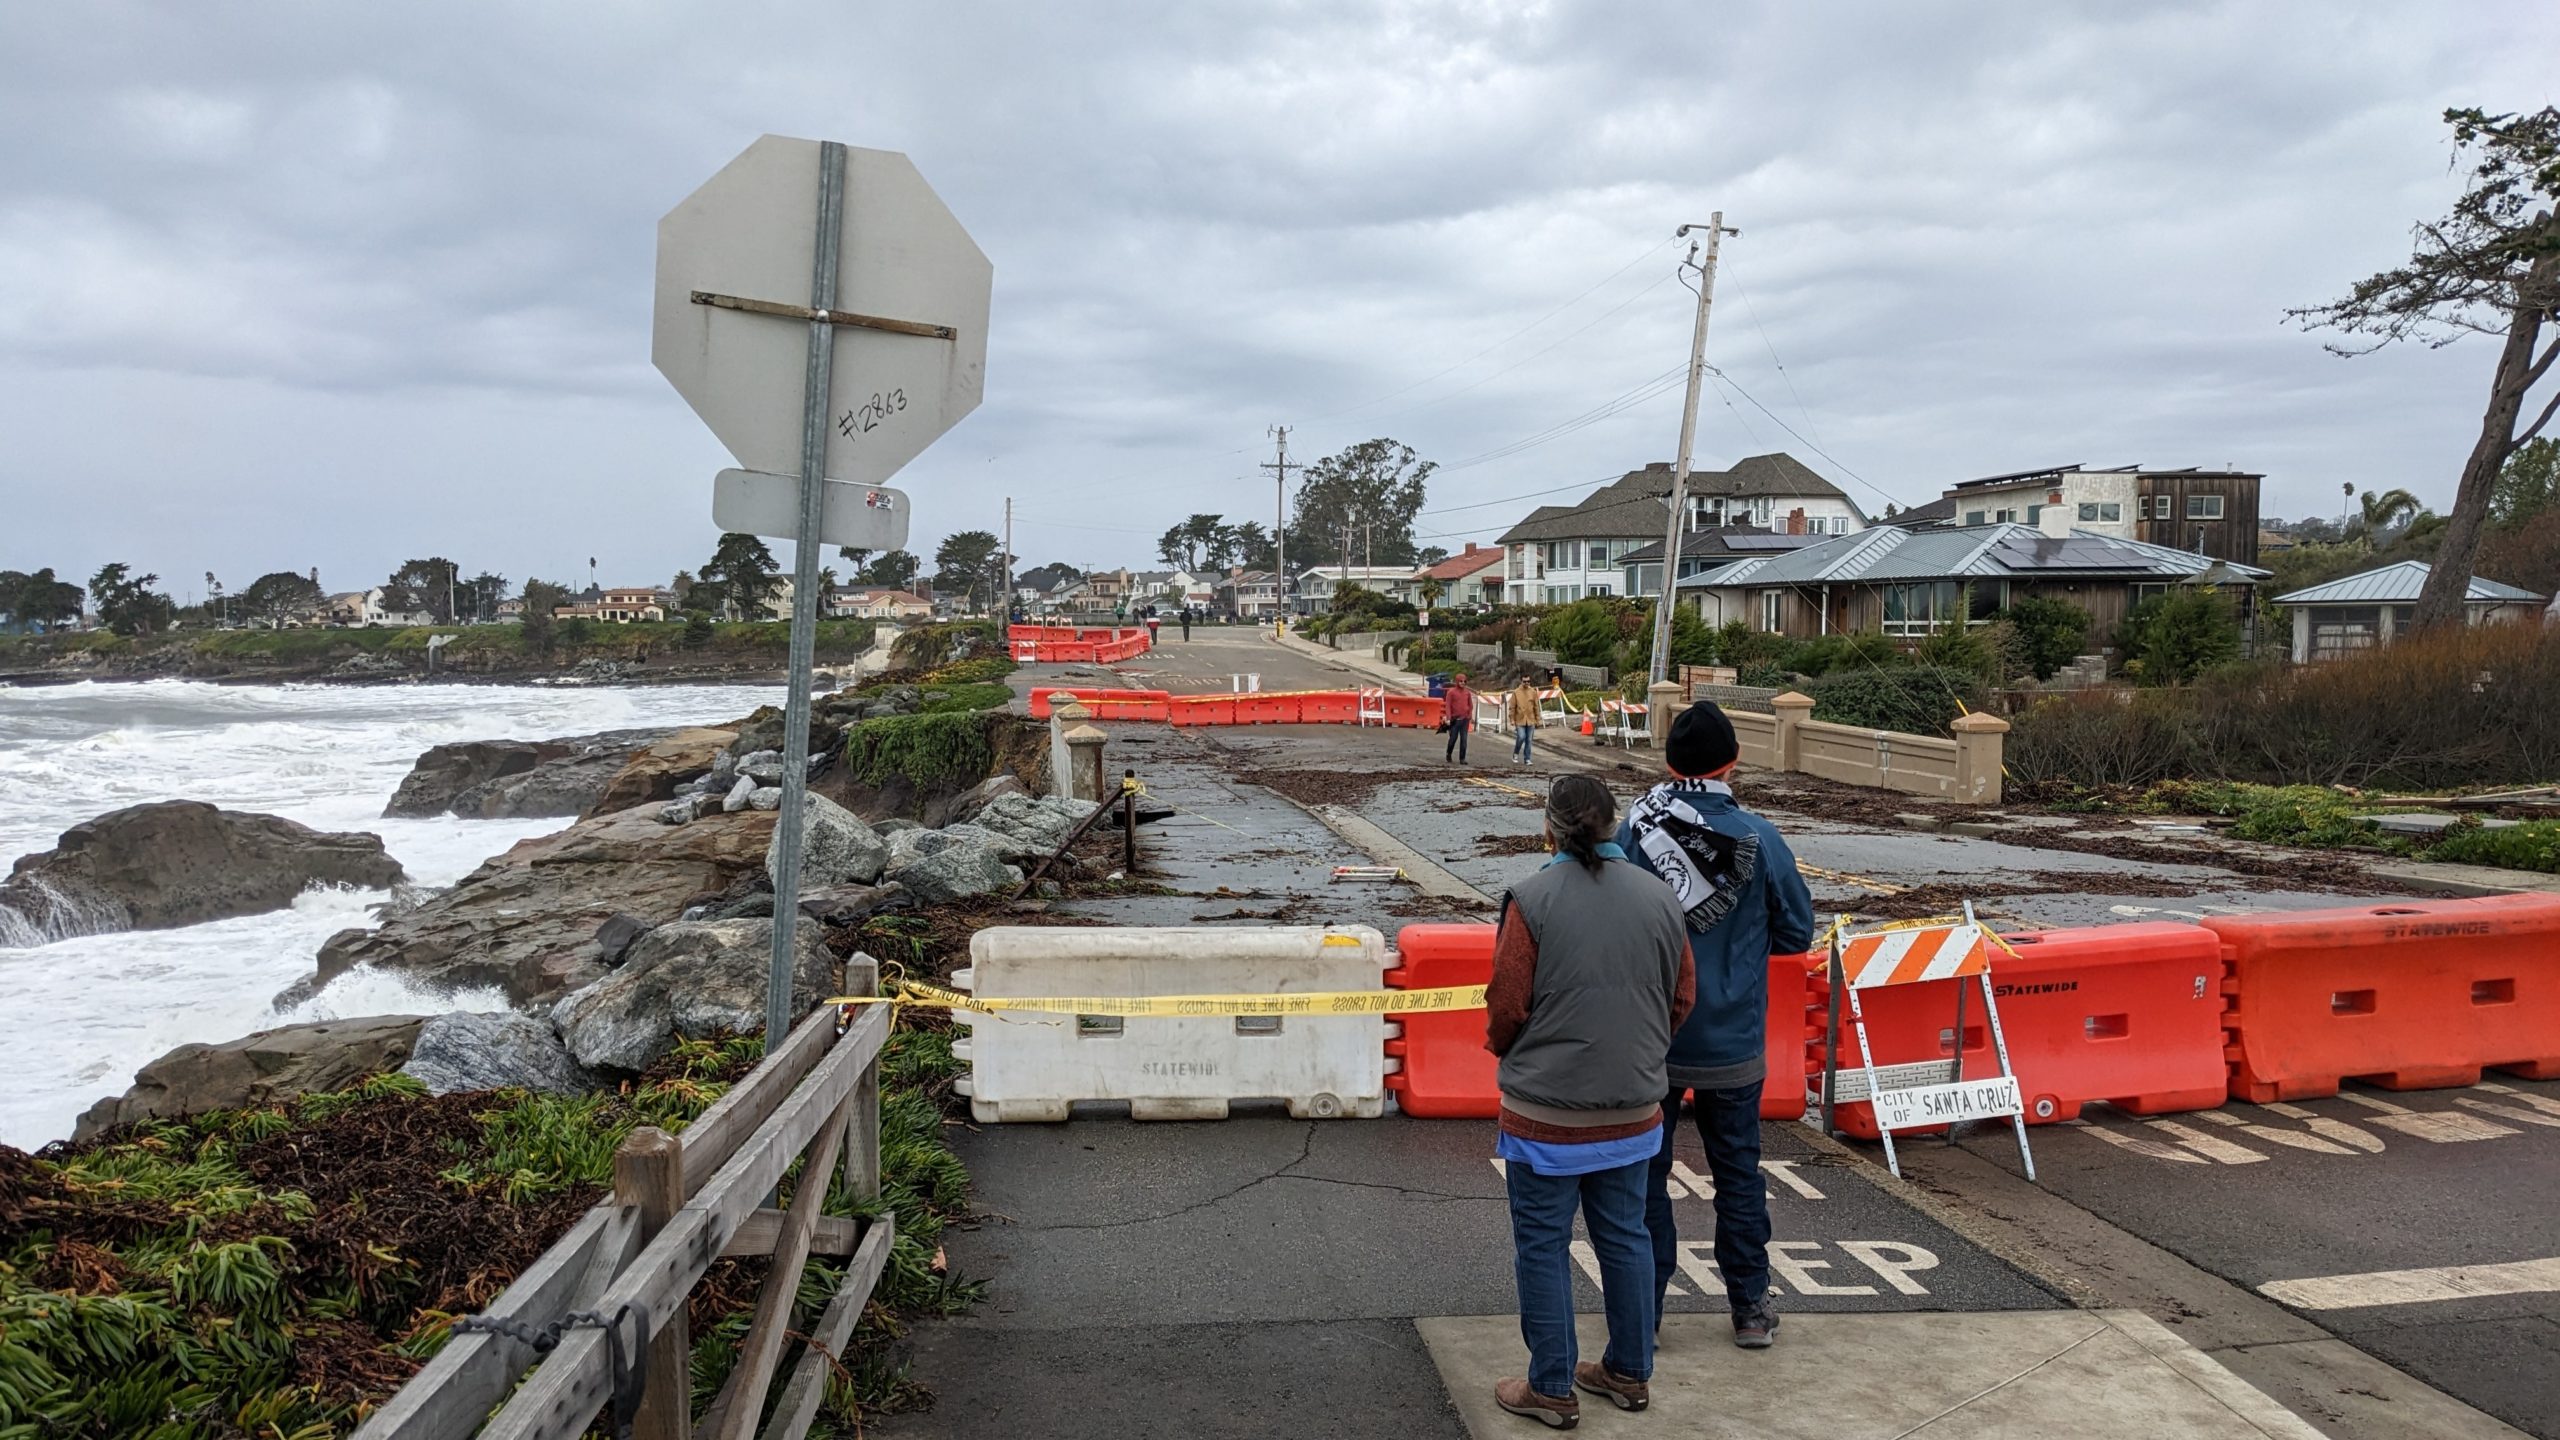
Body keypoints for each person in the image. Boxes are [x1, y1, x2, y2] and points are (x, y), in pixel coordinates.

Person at [1487, 774, 1696, 1427]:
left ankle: (1551, 1385)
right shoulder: (1661, 899)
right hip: (1632, 1108)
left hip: (1546, 1114)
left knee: (1544, 1245)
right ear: (1615, 827)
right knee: (1626, 1236)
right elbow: (1682, 998)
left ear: (1548, 829)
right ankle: (1629, 1372)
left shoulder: (1533, 899)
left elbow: (1506, 1004)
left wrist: (1511, 1051)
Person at [1618, 701, 1816, 1351]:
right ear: (1733, 763)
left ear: (1670, 765)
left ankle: (1645, 1311)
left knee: (1646, 1175)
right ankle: (1750, 1306)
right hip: (1733, 1039)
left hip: (1653, 1040)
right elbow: (1795, 932)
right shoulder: (1760, 838)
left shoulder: (1638, 830)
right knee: (1738, 1173)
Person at [1506, 679, 1541, 766]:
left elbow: (1536, 707)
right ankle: (1516, 753)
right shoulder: (1516, 692)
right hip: (1519, 720)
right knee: (1521, 737)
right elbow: (1512, 707)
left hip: (1530, 720)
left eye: (1528, 681)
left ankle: (1527, 759)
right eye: (1524, 681)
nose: (1526, 683)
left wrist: (1537, 719)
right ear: (1521, 682)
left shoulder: (1533, 692)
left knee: (1529, 740)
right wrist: (1512, 719)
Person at [1443, 671, 1475, 763]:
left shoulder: (1467, 693)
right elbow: (1448, 705)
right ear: (1457, 681)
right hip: (1454, 720)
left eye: (1465, 681)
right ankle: (1449, 753)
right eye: (1461, 681)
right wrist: (1448, 718)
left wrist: (1469, 715)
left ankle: (1462, 758)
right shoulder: (1451, 692)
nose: (1463, 683)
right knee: (1453, 739)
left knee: (1464, 740)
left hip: (1465, 719)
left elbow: (1470, 705)